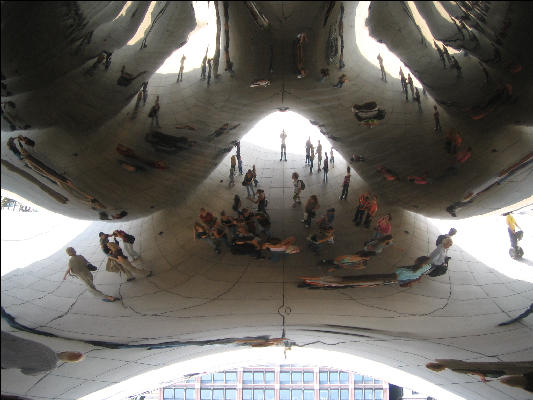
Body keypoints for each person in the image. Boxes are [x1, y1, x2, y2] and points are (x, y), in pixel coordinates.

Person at [1, 332, 84, 375]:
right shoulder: (49, 366)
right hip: (5, 361)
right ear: (68, 361)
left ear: (66, 351)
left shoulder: (45, 348)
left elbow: (16, 339)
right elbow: (26, 372)